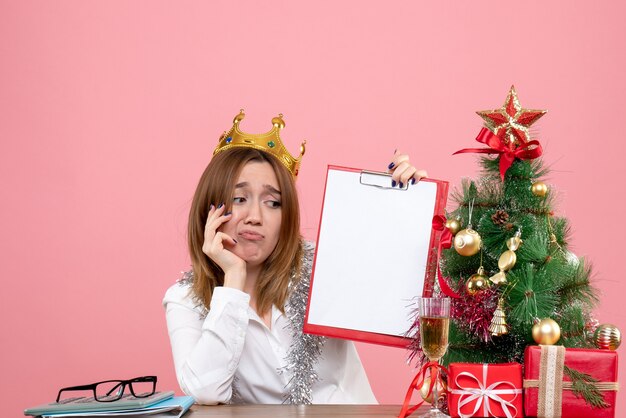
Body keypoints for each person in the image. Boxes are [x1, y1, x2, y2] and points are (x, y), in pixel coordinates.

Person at [163, 110, 427, 405]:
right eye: (239, 199)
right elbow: (206, 392)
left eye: (273, 203)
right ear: (209, 209)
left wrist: (409, 205)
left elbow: (407, 300)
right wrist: (233, 281)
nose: (255, 217)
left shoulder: (323, 267)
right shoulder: (185, 300)